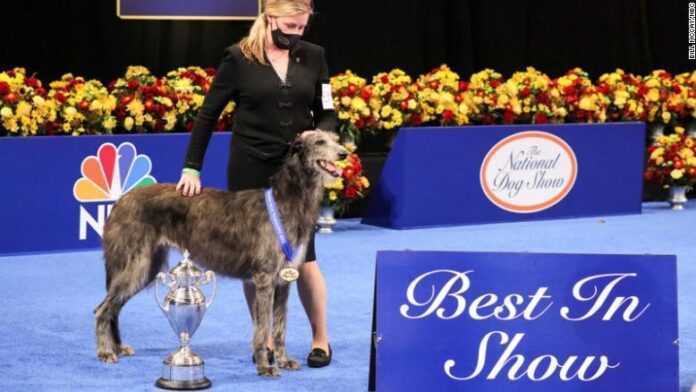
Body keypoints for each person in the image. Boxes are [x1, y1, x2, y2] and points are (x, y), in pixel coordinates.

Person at [176, 0, 336, 368]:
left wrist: (322, 132)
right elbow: (207, 115)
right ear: (269, 18)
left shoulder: (315, 56)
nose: (296, 34)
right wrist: (191, 167)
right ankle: (262, 340)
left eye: (302, 27)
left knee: (304, 259)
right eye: (290, 26)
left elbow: (326, 108)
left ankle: (319, 339)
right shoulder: (238, 58)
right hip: (250, 169)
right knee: (256, 262)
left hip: (298, 174)